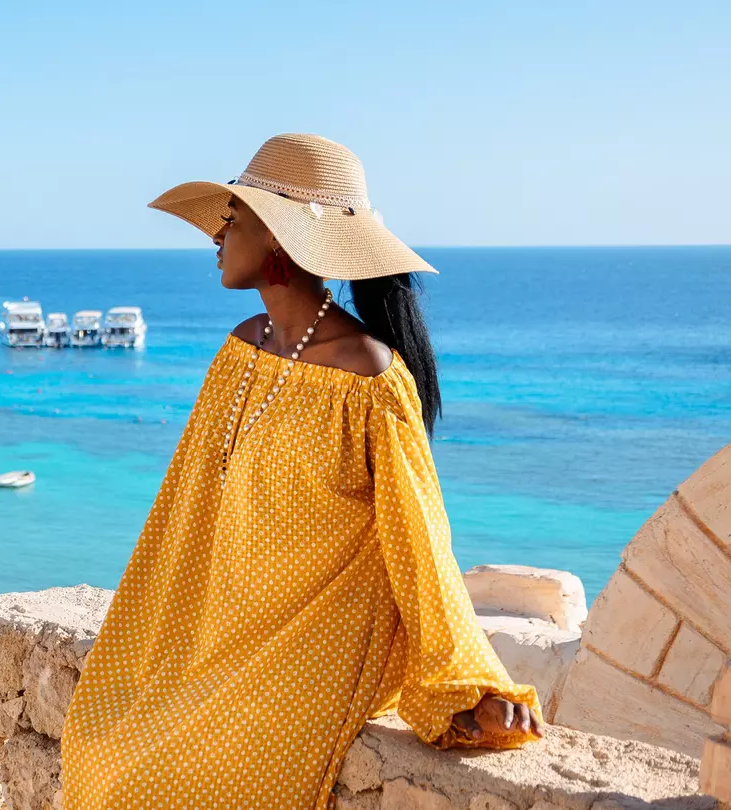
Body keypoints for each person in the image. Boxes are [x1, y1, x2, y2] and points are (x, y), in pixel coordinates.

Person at [59, 134, 541, 810]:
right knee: (97, 743)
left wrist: (471, 684)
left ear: (282, 238)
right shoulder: (241, 350)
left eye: (234, 219)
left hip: (313, 643)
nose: (217, 237)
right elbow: (186, 508)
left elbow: (419, 540)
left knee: (150, 783)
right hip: (221, 630)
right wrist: (154, 631)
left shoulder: (369, 377)